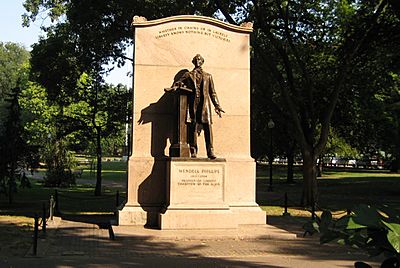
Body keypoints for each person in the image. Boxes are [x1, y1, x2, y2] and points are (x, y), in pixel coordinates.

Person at [175, 54, 224, 159]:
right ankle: (193, 151)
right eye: (196, 59)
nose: (198, 61)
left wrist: (217, 105)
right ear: (193, 62)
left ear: (202, 62)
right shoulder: (188, 75)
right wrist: (179, 85)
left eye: (199, 59)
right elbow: (178, 83)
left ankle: (210, 151)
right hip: (192, 104)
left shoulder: (208, 76)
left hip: (205, 105)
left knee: (207, 128)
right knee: (193, 127)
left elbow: (213, 92)